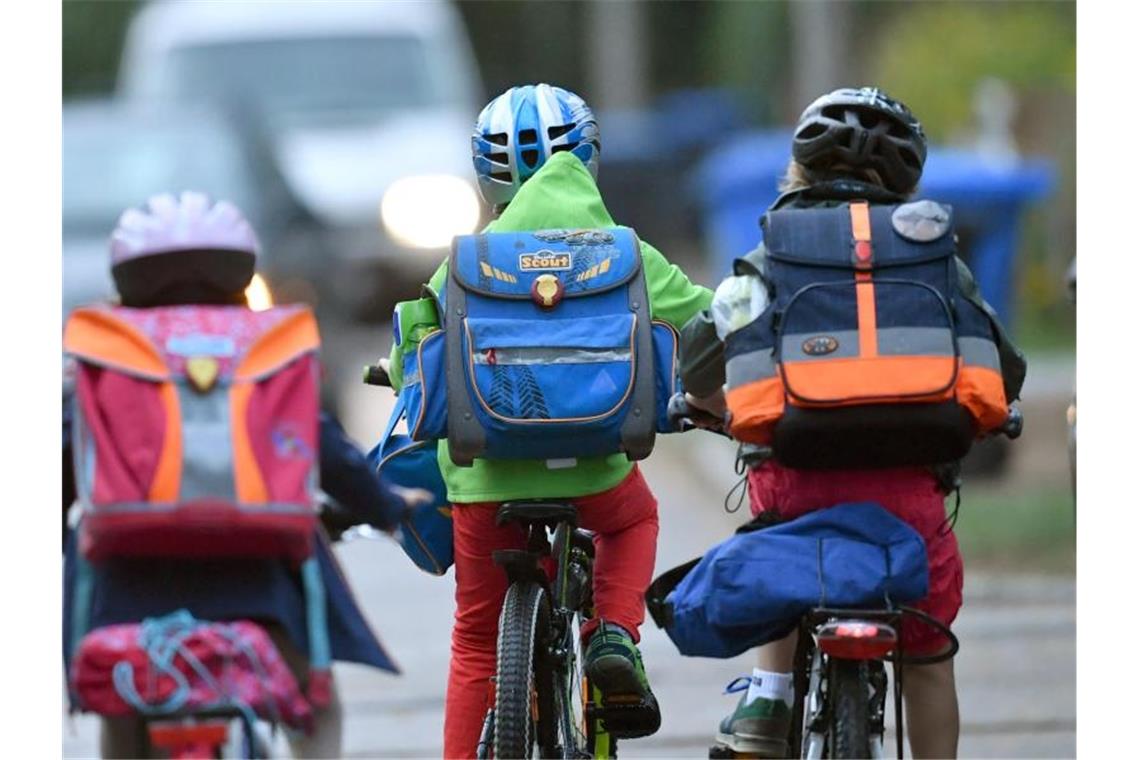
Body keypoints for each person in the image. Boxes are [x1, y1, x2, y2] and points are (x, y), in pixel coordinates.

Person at [678, 88, 1027, 759]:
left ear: (798, 174)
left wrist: (711, 407)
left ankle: (767, 699)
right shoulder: (937, 263)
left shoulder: (771, 257)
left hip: (796, 492)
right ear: (906, 181)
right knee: (928, 658)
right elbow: (1001, 367)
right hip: (910, 508)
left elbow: (699, 355)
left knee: (775, 553)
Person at [382, 83, 712, 758]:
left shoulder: (467, 264)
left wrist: (395, 372)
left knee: (476, 640)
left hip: (485, 479)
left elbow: (410, 350)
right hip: (596, 470)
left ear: (490, 174)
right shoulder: (625, 255)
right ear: (588, 157)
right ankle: (614, 634)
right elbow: (708, 322)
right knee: (632, 519)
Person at [62, 191, 429, 759]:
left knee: (122, 698)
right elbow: (321, 444)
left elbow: (68, 456)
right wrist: (386, 503)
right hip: (261, 584)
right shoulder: (264, 346)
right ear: (240, 273)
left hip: (129, 589)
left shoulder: (105, 351)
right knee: (317, 704)